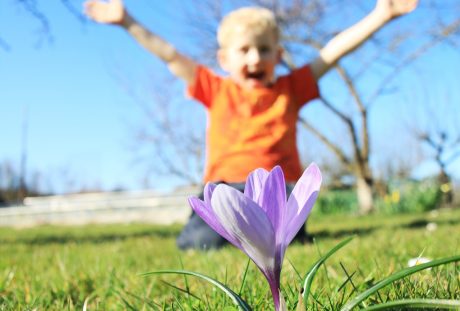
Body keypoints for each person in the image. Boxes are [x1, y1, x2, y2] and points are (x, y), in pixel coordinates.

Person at [84, 0, 418, 250]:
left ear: (278, 55)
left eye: (264, 49)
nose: (255, 58)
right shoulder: (215, 89)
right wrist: (126, 21)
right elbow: (170, 55)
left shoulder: (291, 88)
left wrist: (382, 14)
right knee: (201, 243)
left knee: (279, 243)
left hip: (278, 191)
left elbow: (331, 54)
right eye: (244, 50)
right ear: (224, 59)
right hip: (226, 188)